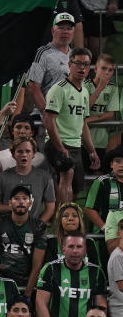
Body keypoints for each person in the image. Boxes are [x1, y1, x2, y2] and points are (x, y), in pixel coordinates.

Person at [43, 46, 100, 204]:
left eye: (86, 64)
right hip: (57, 143)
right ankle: (63, 222)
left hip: (75, 145)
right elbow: (48, 120)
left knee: (75, 189)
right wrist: (60, 148)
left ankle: (63, 219)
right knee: (67, 173)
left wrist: (92, 151)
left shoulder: (84, 92)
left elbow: (83, 124)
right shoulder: (59, 89)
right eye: (78, 63)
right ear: (69, 65)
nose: (82, 68)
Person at [36, 233, 108, 317]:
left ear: (85, 250)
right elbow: (40, 303)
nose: (75, 251)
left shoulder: (96, 272)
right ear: (63, 250)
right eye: (71, 246)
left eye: (79, 247)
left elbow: (101, 308)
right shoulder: (51, 269)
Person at [0, 185, 48, 297]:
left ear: (30, 203)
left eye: (24, 198)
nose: (21, 202)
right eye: (16, 198)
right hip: (0, 283)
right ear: (9, 203)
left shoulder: (38, 226)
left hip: (26, 283)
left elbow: (37, 265)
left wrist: (27, 295)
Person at [0, 137, 56, 224]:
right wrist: (14, 208)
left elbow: (50, 207)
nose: (24, 154)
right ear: (13, 154)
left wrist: (39, 224)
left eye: (28, 151)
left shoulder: (45, 177)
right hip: (8, 228)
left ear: (33, 154)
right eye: (20, 151)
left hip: (33, 227)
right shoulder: (2, 177)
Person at [28, 13, 74, 112]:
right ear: (53, 31)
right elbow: (33, 87)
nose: (65, 32)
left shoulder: (75, 55)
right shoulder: (43, 53)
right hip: (48, 114)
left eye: (69, 28)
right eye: (61, 28)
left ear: (73, 32)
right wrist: (47, 113)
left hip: (69, 115)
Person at [83, 146, 123, 234]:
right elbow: (89, 209)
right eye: (117, 161)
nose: (121, 165)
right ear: (111, 164)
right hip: (103, 237)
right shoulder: (101, 182)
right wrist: (107, 230)